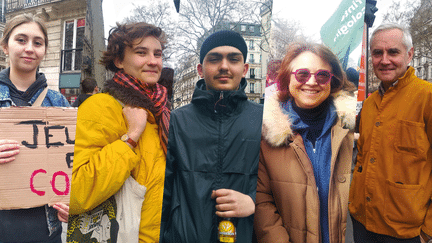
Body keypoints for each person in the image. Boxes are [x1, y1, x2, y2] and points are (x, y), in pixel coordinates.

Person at [69, 22, 170, 242]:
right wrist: (131, 137)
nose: (153, 61)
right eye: (141, 53)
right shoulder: (101, 107)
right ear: (119, 61)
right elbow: (75, 190)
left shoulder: (161, 112)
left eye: (158, 54)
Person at [160, 30, 263, 243]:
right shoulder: (176, 121)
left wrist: (255, 202)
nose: (224, 66)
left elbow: (279, 186)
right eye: (214, 59)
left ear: (244, 69)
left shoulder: (264, 120)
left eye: (233, 59)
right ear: (200, 69)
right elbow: (163, 191)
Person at [254, 42, 356, 243]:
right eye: (302, 74)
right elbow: (261, 200)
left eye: (322, 75)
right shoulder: (266, 133)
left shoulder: (352, 127)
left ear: (332, 80)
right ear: (287, 78)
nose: (311, 82)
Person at [349, 23, 432, 243]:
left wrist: (428, 231)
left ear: (409, 54)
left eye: (393, 52)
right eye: (377, 53)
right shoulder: (368, 105)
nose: (384, 60)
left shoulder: (427, 97)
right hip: (362, 223)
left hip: (406, 232)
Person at [0, 13, 70, 242]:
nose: (29, 48)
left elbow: (76, 165)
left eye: (37, 42)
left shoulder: (59, 103)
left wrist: (74, 204)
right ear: (5, 46)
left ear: (44, 50)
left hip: (46, 232)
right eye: (21, 40)